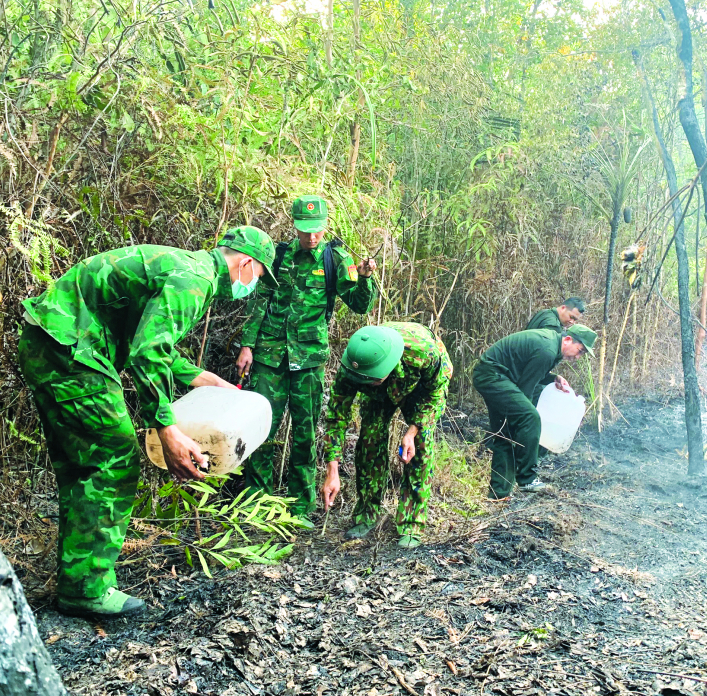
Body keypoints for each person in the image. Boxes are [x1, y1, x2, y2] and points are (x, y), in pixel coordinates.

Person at [18, 227, 277, 618]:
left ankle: (79, 581)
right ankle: (87, 589)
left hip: (51, 342)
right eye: (258, 276)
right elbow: (147, 353)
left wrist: (208, 380)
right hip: (74, 353)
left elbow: (149, 344)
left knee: (84, 466)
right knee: (115, 459)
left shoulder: (187, 268)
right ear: (246, 264)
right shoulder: (195, 281)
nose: (253, 286)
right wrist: (166, 429)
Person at [237, 196, 377, 526]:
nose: (311, 237)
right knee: (260, 430)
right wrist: (247, 345)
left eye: (315, 231)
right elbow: (260, 301)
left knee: (304, 435)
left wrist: (366, 276)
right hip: (270, 357)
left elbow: (358, 305)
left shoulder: (335, 258)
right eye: (304, 231)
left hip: (309, 361)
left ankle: (299, 508)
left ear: (325, 226)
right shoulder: (280, 255)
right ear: (294, 225)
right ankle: (255, 506)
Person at [321, 322, 452, 549]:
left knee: (419, 446)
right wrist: (332, 470)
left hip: (419, 386)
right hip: (379, 395)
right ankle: (366, 515)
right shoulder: (353, 366)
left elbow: (436, 393)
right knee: (370, 441)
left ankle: (411, 523)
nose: (366, 384)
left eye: (371, 379)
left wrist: (411, 432)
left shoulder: (423, 351)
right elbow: (336, 417)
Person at [473, 324, 597, 500]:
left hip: (493, 376)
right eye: (580, 351)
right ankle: (527, 478)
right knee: (530, 416)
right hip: (493, 377)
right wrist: (525, 428)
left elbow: (529, 371)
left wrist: (554, 378)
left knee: (504, 434)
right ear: (568, 340)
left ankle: (498, 495)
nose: (577, 357)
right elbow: (526, 388)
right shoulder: (547, 349)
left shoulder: (552, 346)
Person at [524, 297, 586, 405]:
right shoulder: (552, 327)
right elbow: (544, 355)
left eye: (575, 320)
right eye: (571, 317)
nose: (572, 322)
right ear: (563, 308)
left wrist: (553, 377)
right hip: (529, 373)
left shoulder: (544, 313)